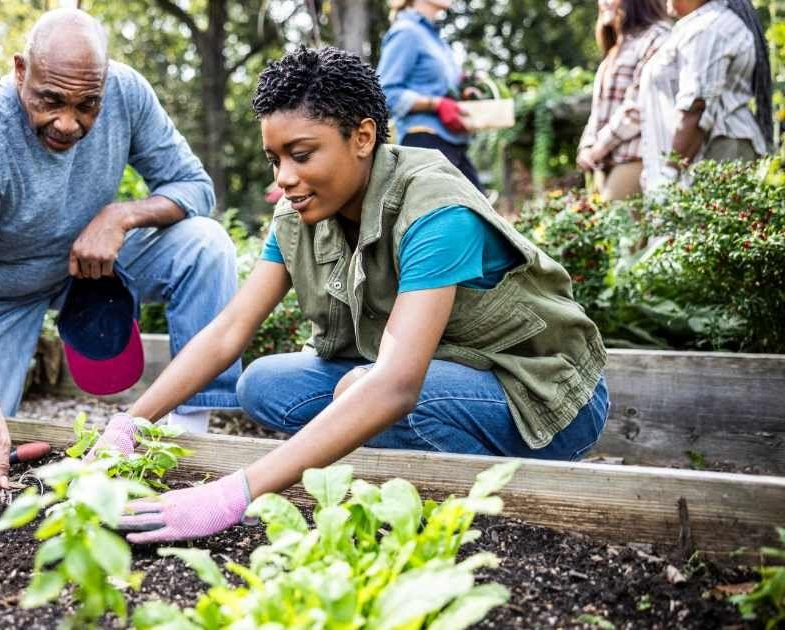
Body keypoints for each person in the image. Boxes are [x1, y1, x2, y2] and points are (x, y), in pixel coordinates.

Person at [93, 47, 610, 544]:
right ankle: (386, 458)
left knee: (369, 393)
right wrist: (129, 423)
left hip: (539, 397)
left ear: (363, 136)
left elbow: (395, 387)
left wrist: (233, 493)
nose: (284, 179)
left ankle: (490, 498)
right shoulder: (300, 214)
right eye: (275, 159)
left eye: (301, 155)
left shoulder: (435, 207)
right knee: (264, 385)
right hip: (436, 372)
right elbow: (229, 331)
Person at [0, 8, 240, 497]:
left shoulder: (127, 92)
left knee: (206, 244)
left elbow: (193, 186)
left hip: (88, 264)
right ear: (21, 71)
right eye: (51, 100)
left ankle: (190, 432)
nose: (68, 122)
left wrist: (120, 216)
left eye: (88, 105)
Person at [638, 0, 774, 192]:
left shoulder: (708, 29)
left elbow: (696, 108)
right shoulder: (700, 24)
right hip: (706, 154)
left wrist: (669, 174)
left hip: (719, 153)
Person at [376, 0, 482, 189]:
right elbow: (385, 92)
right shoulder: (406, 32)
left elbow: (442, 90)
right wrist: (435, 104)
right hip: (424, 143)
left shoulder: (436, 39)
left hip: (452, 145)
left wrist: (463, 94)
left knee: (480, 213)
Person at [577, 0, 670, 201]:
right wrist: (586, 146)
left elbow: (638, 106)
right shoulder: (616, 47)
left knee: (615, 225)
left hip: (636, 157)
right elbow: (599, 110)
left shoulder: (655, 38)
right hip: (606, 160)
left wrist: (598, 148)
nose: (604, 2)